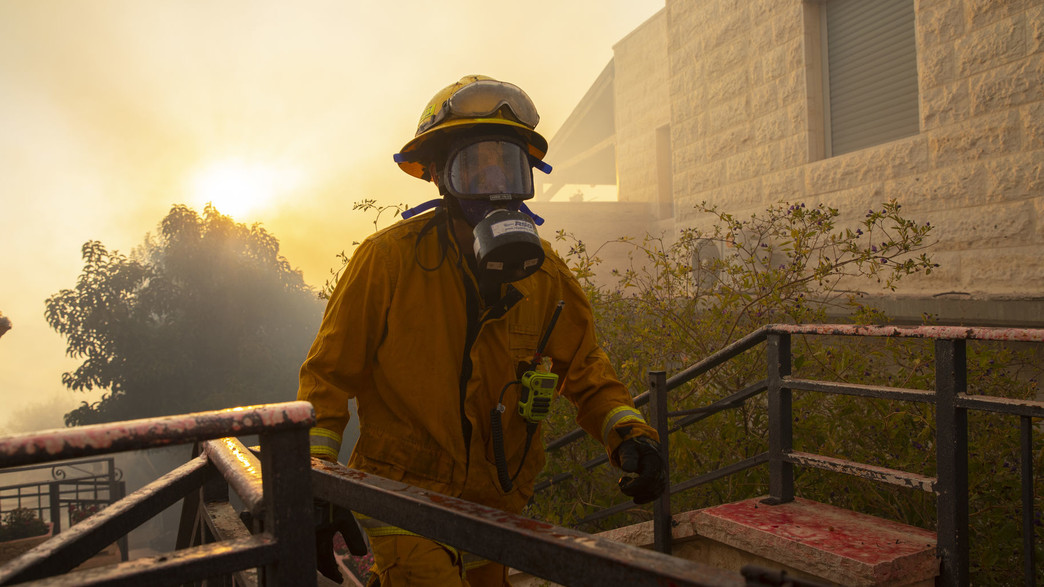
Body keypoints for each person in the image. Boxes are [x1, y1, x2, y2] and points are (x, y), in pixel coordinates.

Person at [297, 74, 666, 587]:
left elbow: (586, 372)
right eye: (475, 166)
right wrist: (316, 483)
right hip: (405, 495)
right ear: (441, 178)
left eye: (507, 164)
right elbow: (328, 377)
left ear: (527, 177)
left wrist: (630, 436)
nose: (494, 183)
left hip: (496, 500)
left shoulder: (546, 276)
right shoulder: (387, 261)